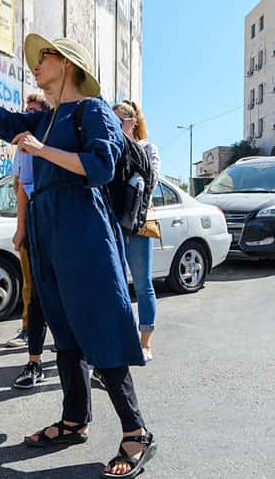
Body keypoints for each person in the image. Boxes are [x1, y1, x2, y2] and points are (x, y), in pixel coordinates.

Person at [0, 37, 156, 478]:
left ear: (65, 64)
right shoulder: (46, 118)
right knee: (64, 330)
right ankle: (74, 419)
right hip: (47, 228)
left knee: (99, 323)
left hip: (83, 225)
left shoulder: (93, 110)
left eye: (42, 59)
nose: (36, 67)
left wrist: (43, 152)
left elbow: (100, 167)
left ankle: (136, 431)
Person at [8, 93, 51, 389]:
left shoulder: (59, 134)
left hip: (66, 220)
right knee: (36, 294)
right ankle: (34, 362)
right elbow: (23, 186)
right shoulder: (25, 146)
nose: (28, 117)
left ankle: (90, 360)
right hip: (37, 219)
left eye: (34, 113)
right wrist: (21, 227)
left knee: (73, 294)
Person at [113, 100, 160, 361]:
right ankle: (121, 339)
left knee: (142, 286)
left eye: (120, 121)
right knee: (116, 287)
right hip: (113, 226)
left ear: (132, 123)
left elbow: (149, 183)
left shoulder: (146, 148)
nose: (115, 127)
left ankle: (145, 343)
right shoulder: (108, 148)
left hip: (138, 225)